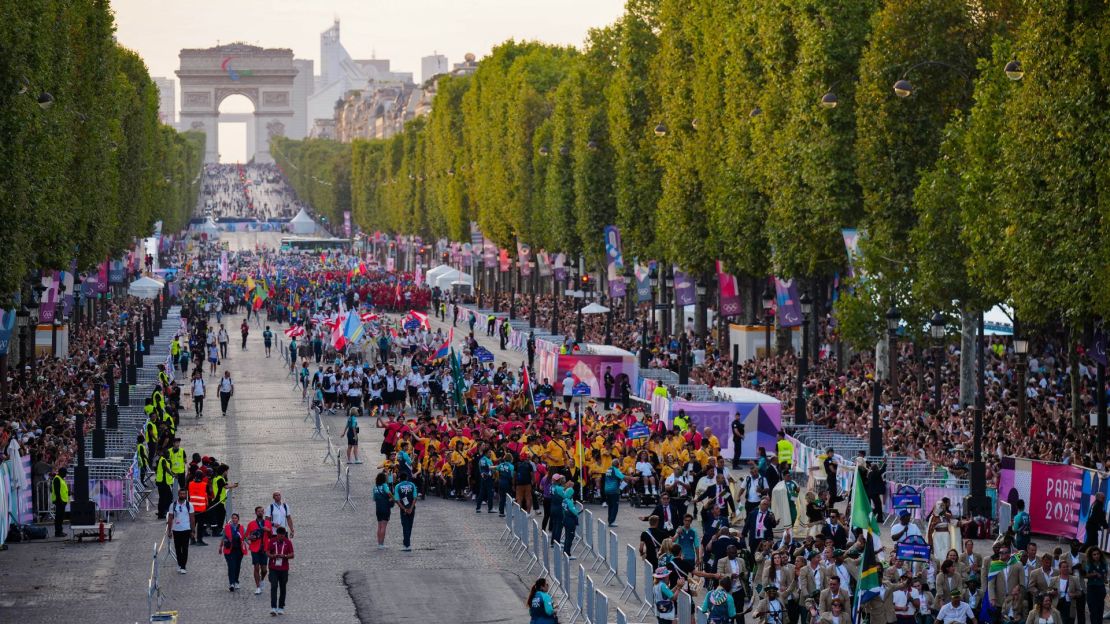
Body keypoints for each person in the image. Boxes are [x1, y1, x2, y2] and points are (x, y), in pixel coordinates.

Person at [166, 488, 196, 574]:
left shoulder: (189, 505)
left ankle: (183, 566)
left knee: (185, 548)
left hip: (186, 529)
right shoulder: (173, 505)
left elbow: (192, 518)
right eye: (181, 494)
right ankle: (179, 563)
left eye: (184, 494)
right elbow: (170, 518)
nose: (183, 495)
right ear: (178, 494)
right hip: (176, 529)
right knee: (177, 548)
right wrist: (169, 530)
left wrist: (193, 530)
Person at [267, 526, 294, 616]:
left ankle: (281, 607)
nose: (281, 537)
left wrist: (285, 556)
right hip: (273, 568)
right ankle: (273, 607)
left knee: (283, 588)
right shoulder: (272, 541)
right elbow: (267, 552)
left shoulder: (288, 542)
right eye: (279, 536)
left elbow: (292, 554)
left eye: (282, 536)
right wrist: (273, 556)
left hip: (284, 569)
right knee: (274, 586)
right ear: (277, 534)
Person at [247, 506, 271, 595]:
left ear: (263, 513)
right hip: (255, 548)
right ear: (256, 513)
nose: (260, 512)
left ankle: (261, 580)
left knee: (264, 570)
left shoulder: (268, 523)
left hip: (264, 548)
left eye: (262, 511)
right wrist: (250, 539)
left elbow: (271, 535)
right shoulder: (251, 524)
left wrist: (268, 530)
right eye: (258, 511)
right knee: (256, 567)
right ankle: (257, 587)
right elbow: (246, 536)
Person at [221, 512, 248, 591]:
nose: (234, 519)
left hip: (239, 551)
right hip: (229, 550)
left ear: (238, 519)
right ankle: (231, 583)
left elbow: (245, 538)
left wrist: (252, 544)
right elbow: (223, 537)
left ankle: (236, 581)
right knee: (231, 566)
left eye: (235, 518)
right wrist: (221, 546)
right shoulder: (227, 527)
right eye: (233, 518)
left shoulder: (242, 528)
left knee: (237, 566)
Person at [395, 473, 418, 552]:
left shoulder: (397, 486)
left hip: (403, 509)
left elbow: (397, 500)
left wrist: (404, 509)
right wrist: (411, 508)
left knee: (405, 525)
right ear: (407, 478)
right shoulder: (412, 485)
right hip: (412, 508)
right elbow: (415, 497)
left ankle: (407, 545)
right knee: (410, 525)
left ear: (400, 478)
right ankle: (406, 542)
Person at [1084, 548, 1107, 624]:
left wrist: (1104, 578)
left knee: (1100, 611)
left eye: (1098, 554)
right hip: (1092, 589)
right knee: (1093, 611)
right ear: (1091, 556)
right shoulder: (1088, 564)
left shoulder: (1104, 563)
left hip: (1101, 588)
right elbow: (1085, 575)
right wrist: (1095, 574)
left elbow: (1105, 578)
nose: (1096, 556)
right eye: (1094, 554)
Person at [561, 481, 582, 559]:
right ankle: (567, 554)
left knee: (567, 537)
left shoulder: (564, 500)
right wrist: (580, 511)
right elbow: (575, 512)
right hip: (570, 521)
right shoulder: (569, 502)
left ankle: (565, 553)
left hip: (565, 520)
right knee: (570, 537)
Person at [373, 472, 394, 549]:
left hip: (378, 508)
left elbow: (374, 499)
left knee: (379, 526)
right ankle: (382, 544)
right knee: (384, 526)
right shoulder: (385, 485)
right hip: (385, 508)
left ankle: (379, 543)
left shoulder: (375, 487)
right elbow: (389, 494)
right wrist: (393, 498)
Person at [155, 450, 174, 519]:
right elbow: (166, 468)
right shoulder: (163, 460)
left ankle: (162, 512)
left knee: (165, 498)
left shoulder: (164, 460)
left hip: (163, 482)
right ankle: (162, 512)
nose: (168, 454)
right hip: (162, 483)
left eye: (169, 453)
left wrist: (172, 474)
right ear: (163, 454)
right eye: (167, 453)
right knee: (166, 498)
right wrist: (172, 475)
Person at [51, 467, 69, 537]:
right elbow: (57, 491)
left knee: (61, 517)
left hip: (62, 501)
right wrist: (60, 501)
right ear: (61, 472)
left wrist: (69, 492)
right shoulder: (57, 479)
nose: (65, 475)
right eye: (65, 473)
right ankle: (58, 532)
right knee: (58, 517)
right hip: (59, 501)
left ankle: (60, 531)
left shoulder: (61, 479)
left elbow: (63, 490)